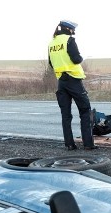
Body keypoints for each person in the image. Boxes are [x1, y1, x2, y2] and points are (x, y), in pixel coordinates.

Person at [48, 20, 95, 150]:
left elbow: (51, 63)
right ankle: (88, 144)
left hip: (61, 82)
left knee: (66, 115)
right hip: (73, 79)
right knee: (85, 111)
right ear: (68, 29)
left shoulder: (52, 43)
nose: (74, 32)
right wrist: (81, 58)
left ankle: (69, 144)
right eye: (73, 30)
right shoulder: (69, 40)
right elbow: (76, 59)